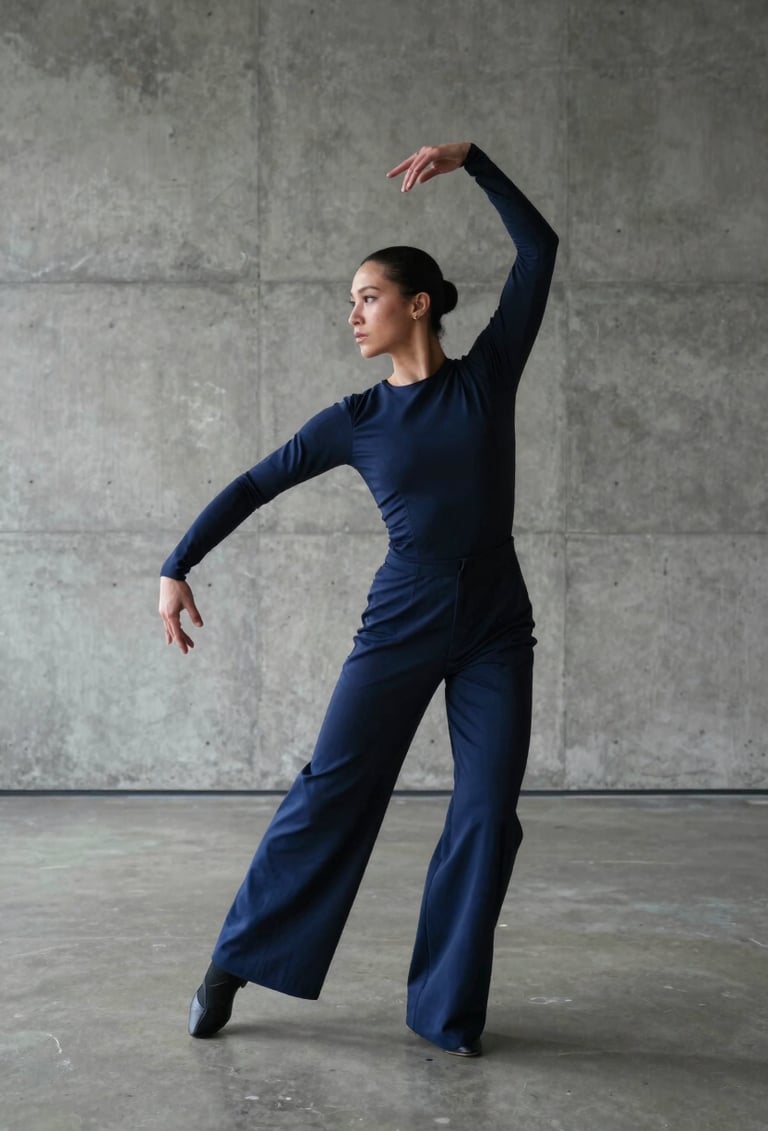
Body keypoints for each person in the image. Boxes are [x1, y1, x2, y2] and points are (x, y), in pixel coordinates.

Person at [158, 140, 559, 1057]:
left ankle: (444, 1009)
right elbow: (254, 484)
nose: (353, 313)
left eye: (367, 296)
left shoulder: (487, 377)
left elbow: (538, 254)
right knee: (334, 789)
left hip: (499, 623)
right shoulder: (357, 419)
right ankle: (234, 958)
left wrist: (480, 163)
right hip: (404, 617)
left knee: (488, 812)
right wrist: (177, 563)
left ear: (418, 303)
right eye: (350, 301)